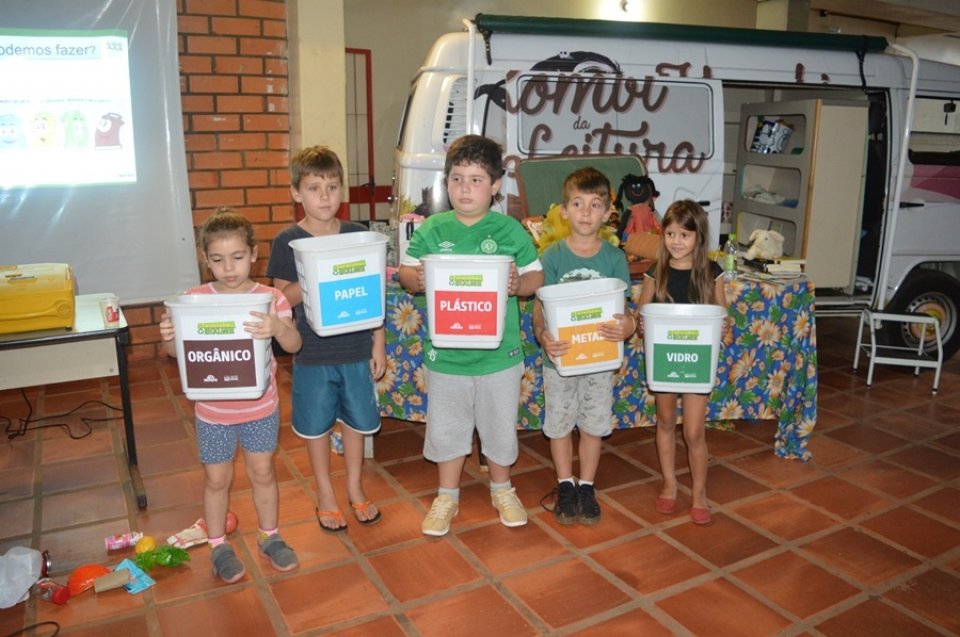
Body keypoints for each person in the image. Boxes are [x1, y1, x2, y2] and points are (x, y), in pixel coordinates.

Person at [398, 134, 544, 537]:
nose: (465, 188)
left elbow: (536, 275)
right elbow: (406, 273)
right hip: (447, 355)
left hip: (500, 355)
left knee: (499, 425)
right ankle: (447, 495)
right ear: (446, 184)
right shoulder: (431, 229)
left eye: (476, 179)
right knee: (447, 426)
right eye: (457, 179)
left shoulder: (510, 231)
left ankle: (502, 488)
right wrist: (418, 278)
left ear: (496, 186)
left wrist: (519, 284)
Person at [159, 208, 302, 584]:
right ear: (206, 261)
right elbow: (179, 355)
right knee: (216, 479)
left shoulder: (271, 298)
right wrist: (170, 338)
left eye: (238, 257)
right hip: (213, 412)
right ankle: (219, 545)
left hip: (261, 408)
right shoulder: (193, 300)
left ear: (253, 254)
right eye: (218, 260)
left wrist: (276, 326)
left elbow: (294, 344)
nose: (229, 268)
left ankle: (270, 536)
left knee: (262, 472)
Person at [266, 146, 386, 533]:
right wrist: (314, 271)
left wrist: (378, 342)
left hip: (354, 349)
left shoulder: (358, 235)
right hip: (312, 353)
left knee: (357, 421)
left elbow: (373, 293)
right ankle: (325, 493)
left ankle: (354, 486)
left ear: (342, 192)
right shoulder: (288, 240)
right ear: (296, 193)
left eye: (332, 187)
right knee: (316, 426)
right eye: (314, 188)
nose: (324, 197)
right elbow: (281, 298)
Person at [532, 167, 635, 526]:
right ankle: (565, 485)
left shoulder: (614, 259)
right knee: (559, 424)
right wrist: (544, 336)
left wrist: (628, 327)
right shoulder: (552, 258)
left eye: (595, 205)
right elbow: (539, 311)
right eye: (578, 203)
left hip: (599, 361)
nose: (586, 212)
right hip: (559, 359)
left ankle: (587, 486)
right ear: (563, 210)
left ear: (608, 212)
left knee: (593, 424)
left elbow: (625, 314)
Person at [636, 199, 726, 525]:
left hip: (697, 361)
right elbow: (641, 310)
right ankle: (670, 483)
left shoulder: (712, 273)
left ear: (699, 238)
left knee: (693, 430)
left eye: (684, 235)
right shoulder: (655, 271)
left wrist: (725, 323)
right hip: (663, 359)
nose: (676, 241)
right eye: (670, 234)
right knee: (664, 421)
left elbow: (722, 313)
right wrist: (641, 320)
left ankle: (699, 491)